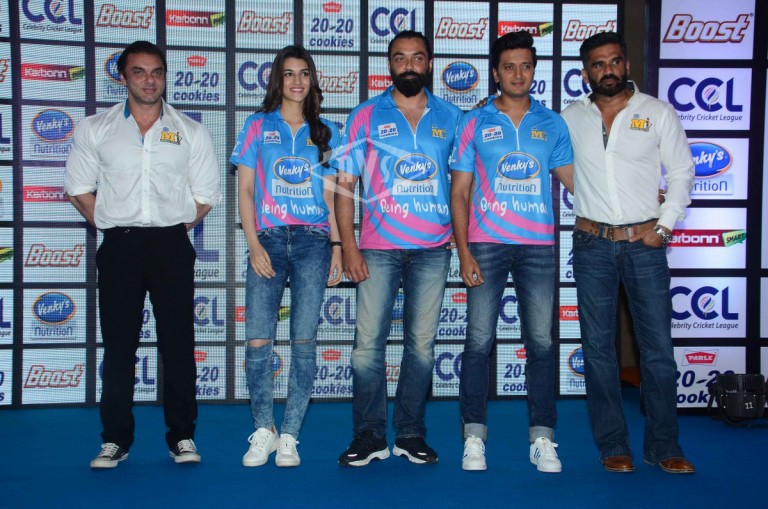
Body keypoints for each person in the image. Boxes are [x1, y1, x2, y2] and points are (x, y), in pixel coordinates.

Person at [64, 40, 221, 468]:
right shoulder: (96, 128)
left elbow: (206, 194)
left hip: (171, 245)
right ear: (123, 77)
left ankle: (182, 436)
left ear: (165, 77)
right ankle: (115, 440)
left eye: (156, 72)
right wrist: (112, 223)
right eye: (139, 71)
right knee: (119, 347)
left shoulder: (190, 130)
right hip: (120, 246)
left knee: (178, 345)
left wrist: (169, 228)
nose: (149, 80)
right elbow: (78, 187)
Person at [560, 32, 695, 474]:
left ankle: (664, 445)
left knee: (658, 351)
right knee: (598, 351)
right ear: (586, 73)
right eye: (598, 64)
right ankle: (613, 444)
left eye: (615, 61)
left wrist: (664, 225)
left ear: (627, 65)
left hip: (644, 245)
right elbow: (546, 154)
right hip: (591, 245)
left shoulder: (657, 112)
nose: (608, 70)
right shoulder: (570, 117)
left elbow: (682, 172)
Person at [333, 31, 462, 467]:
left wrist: (463, 238)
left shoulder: (452, 117)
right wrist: (349, 247)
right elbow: (345, 185)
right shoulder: (365, 114)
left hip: (433, 249)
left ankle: (410, 434)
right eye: (400, 58)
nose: (409, 65)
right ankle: (369, 435)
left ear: (430, 63)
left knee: (421, 348)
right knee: (366, 348)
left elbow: (465, 184)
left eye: (417, 58)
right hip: (377, 249)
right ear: (389, 64)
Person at [450, 31, 574, 472]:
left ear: (534, 70)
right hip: (486, 245)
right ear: (496, 72)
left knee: (541, 342)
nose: (518, 74)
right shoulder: (474, 121)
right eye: (509, 66)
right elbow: (459, 192)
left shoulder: (552, 123)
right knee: (478, 341)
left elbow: (579, 182)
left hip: (538, 246)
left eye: (525, 66)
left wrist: (635, 198)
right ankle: (473, 437)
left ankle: (543, 438)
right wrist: (464, 251)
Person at [230, 45, 343, 468]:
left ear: (312, 80)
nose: (297, 81)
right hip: (269, 240)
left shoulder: (327, 132)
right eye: (289, 73)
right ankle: (265, 428)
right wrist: (254, 243)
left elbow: (332, 198)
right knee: (259, 338)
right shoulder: (258, 125)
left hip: (314, 241)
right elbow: (245, 190)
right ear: (278, 79)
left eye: (304, 73)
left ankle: (290, 434)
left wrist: (337, 246)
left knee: (304, 341)